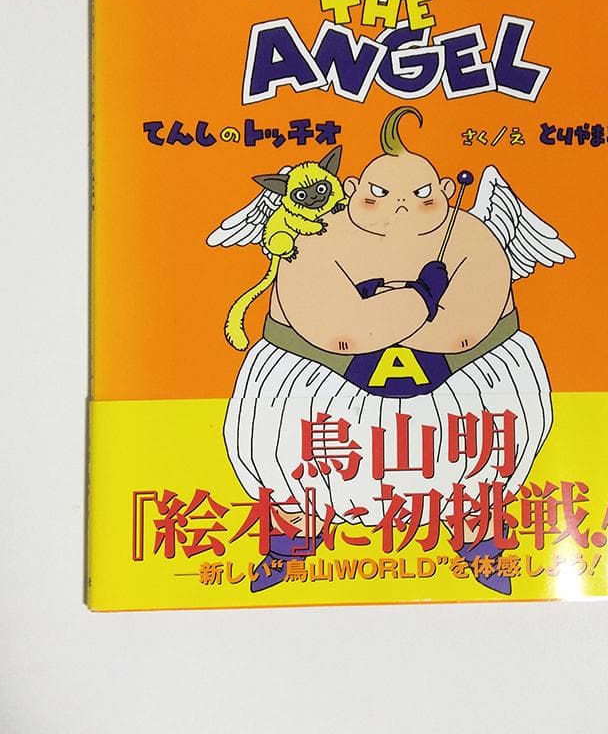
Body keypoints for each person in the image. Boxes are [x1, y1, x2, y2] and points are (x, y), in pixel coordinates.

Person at [220, 107, 569, 594]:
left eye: (422, 196)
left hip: (463, 395)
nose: (400, 209)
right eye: (377, 196)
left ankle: (480, 541)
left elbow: (463, 330)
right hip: (321, 393)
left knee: (482, 471)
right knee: (287, 466)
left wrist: (389, 309)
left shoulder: (472, 236)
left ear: (446, 190)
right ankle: (290, 542)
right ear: (351, 189)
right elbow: (341, 331)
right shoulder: (314, 236)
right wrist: (420, 298)